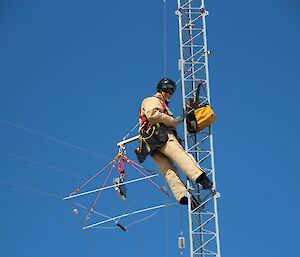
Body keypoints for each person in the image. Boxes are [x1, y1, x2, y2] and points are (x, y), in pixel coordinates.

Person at [139, 78, 213, 205]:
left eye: (171, 92)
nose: (168, 94)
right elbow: (153, 115)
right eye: (166, 91)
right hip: (160, 135)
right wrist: (171, 121)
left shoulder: (160, 104)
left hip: (150, 144)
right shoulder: (153, 100)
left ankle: (183, 196)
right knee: (180, 156)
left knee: (168, 170)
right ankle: (201, 178)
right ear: (160, 90)